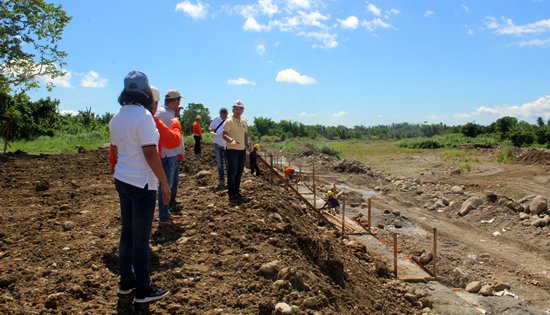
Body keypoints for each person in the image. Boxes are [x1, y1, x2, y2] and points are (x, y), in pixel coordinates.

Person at [109, 70, 170, 303]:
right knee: (141, 239)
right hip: (142, 183)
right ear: (145, 92)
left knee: (127, 233)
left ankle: (126, 282)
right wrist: (164, 182)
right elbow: (149, 151)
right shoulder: (143, 116)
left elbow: (116, 149)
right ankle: (144, 289)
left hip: (122, 179)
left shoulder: (117, 116)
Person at [155, 89, 185, 225]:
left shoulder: (168, 113)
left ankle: (166, 213)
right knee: (165, 186)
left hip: (171, 154)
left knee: (169, 185)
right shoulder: (163, 114)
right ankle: (163, 216)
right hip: (167, 155)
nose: (179, 103)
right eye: (178, 100)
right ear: (174, 101)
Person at [223, 100, 249, 201]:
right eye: (236, 108)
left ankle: (237, 191)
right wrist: (231, 140)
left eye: (240, 109)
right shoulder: (229, 121)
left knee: (239, 172)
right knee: (232, 171)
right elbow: (224, 135)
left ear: (243, 110)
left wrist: (246, 144)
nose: (238, 110)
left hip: (241, 150)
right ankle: (231, 193)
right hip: (231, 150)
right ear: (233, 109)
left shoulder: (244, 122)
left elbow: (245, 134)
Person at [210, 108, 228, 188]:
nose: (224, 117)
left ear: (227, 114)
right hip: (217, 144)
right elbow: (210, 128)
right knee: (220, 164)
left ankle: (229, 180)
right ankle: (221, 180)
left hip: (226, 145)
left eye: (225, 116)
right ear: (220, 114)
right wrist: (213, 132)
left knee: (228, 163)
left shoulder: (229, 120)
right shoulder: (216, 119)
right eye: (222, 116)